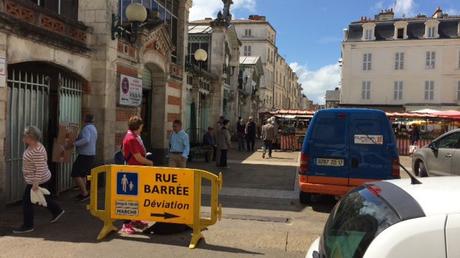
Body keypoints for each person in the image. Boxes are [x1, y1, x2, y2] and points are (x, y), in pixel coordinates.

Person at [13, 126, 65, 234]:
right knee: (44, 199)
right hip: (39, 179)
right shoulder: (33, 146)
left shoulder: (37, 150)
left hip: (38, 180)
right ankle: (57, 211)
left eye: (25, 135)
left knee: (27, 202)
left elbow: (40, 168)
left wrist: (35, 184)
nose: (23, 137)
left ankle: (28, 225)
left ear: (30, 137)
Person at [121, 116, 152, 234]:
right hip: (133, 171)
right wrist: (150, 162)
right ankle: (126, 223)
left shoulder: (133, 137)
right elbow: (137, 157)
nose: (142, 129)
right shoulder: (131, 138)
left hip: (137, 170)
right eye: (141, 127)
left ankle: (136, 219)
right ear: (137, 126)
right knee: (130, 198)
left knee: (137, 197)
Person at [70, 114, 97, 201]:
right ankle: (83, 192)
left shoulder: (86, 128)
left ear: (85, 119)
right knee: (82, 174)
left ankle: (85, 193)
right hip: (90, 154)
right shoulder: (93, 128)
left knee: (75, 173)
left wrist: (74, 143)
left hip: (85, 154)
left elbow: (86, 139)